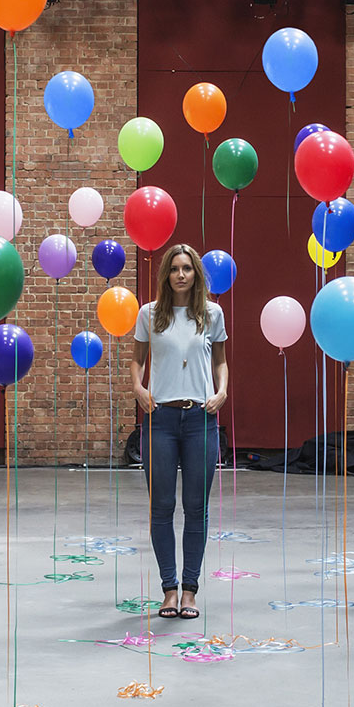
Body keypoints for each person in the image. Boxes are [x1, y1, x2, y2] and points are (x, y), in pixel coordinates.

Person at [131, 243, 229, 621]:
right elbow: (137, 361)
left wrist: (222, 392)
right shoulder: (150, 314)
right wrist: (138, 388)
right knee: (161, 508)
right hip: (161, 420)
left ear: (196, 274)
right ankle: (168, 590)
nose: (181, 274)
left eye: (188, 268)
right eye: (175, 268)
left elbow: (220, 363)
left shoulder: (211, 315)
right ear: (166, 275)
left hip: (201, 419)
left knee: (196, 509)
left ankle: (190, 591)